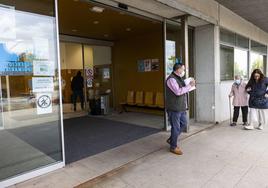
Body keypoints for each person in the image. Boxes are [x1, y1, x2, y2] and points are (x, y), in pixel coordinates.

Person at [166, 63, 195, 155]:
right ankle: (173, 147)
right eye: (183, 69)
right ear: (178, 69)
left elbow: (183, 89)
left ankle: (172, 139)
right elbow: (178, 92)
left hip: (181, 107)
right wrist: (189, 85)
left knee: (183, 124)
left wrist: (189, 84)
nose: (184, 71)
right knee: (176, 127)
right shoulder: (171, 79)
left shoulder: (179, 78)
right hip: (174, 108)